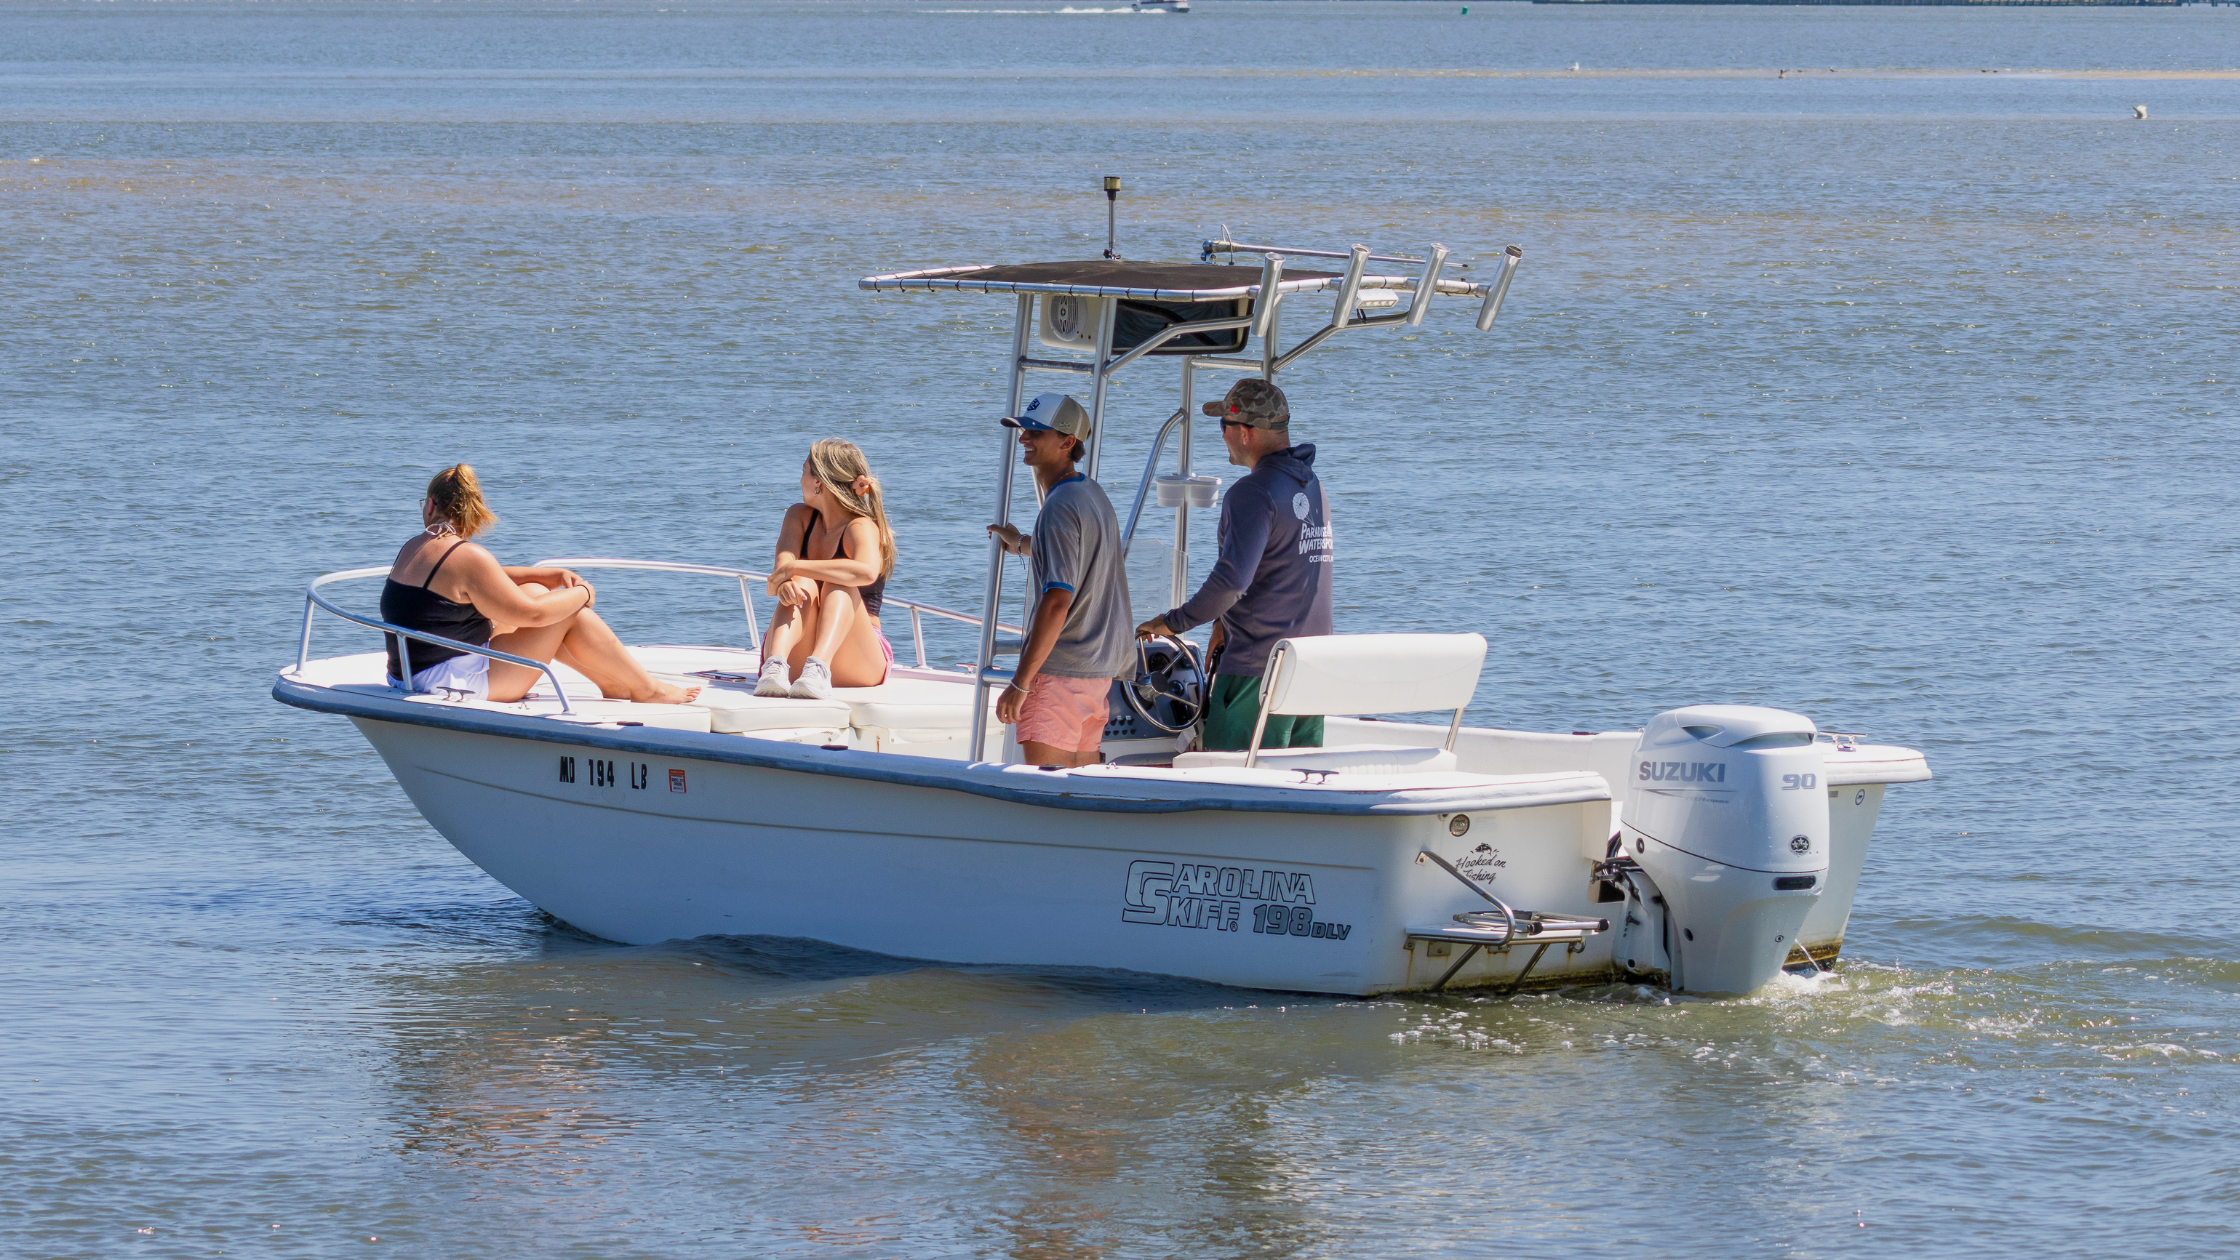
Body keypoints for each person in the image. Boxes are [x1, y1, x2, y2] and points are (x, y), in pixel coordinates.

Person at [382, 464, 699, 705]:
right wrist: (582, 593)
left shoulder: (415, 547)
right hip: (454, 681)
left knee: (536, 591)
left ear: (431, 505)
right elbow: (532, 615)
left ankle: (613, 685)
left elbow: (480, 581)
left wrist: (543, 576)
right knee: (564, 612)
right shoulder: (466, 557)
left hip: (409, 675)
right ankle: (647, 689)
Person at [1135, 378, 1333, 751]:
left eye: (1223, 425)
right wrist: (1222, 623)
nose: (1221, 434)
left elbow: (1232, 582)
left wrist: (1173, 622)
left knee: (1231, 779)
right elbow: (1282, 568)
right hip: (1310, 668)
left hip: (1257, 673)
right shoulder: (1310, 484)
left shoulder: (1252, 492)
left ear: (1244, 432)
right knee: (1297, 784)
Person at [985, 393, 1134, 768]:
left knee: (1047, 798)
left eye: (1035, 432)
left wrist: (1020, 684)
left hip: (1059, 675)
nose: (1024, 439)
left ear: (1068, 442)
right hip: (1097, 675)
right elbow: (1077, 553)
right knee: (1079, 798)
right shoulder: (1091, 494)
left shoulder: (1058, 506)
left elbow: (1056, 601)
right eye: (1023, 430)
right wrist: (1020, 543)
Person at [754, 438, 898, 700]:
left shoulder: (861, 527)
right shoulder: (798, 516)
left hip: (858, 661)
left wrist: (795, 567)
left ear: (818, 482)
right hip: (794, 663)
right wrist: (787, 580)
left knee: (839, 584)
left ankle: (818, 668)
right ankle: (774, 667)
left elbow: (866, 572)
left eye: (803, 472)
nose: (800, 480)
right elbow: (778, 574)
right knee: (802, 582)